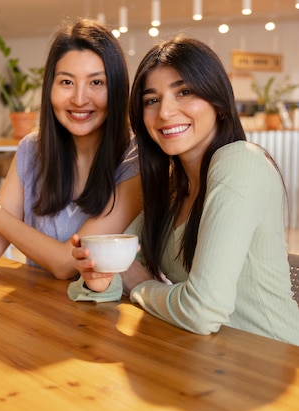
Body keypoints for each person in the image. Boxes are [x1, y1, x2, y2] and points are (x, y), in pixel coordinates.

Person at [69, 35, 299, 346]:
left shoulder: (241, 162)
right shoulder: (171, 189)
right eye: (152, 100)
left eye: (184, 92)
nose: (165, 112)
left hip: (274, 365)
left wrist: (140, 284)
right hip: (208, 361)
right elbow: (115, 273)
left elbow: (202, 310)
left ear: (217, 102)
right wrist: (99, 281)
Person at [0, 18, 142, 280]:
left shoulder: (134, 157)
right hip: (40, 309)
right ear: (50, 88)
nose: (79, 99)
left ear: (117, 90)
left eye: (96, 83)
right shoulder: (32, 150)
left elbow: (67, 263)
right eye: (66, 82)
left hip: (103, 314)